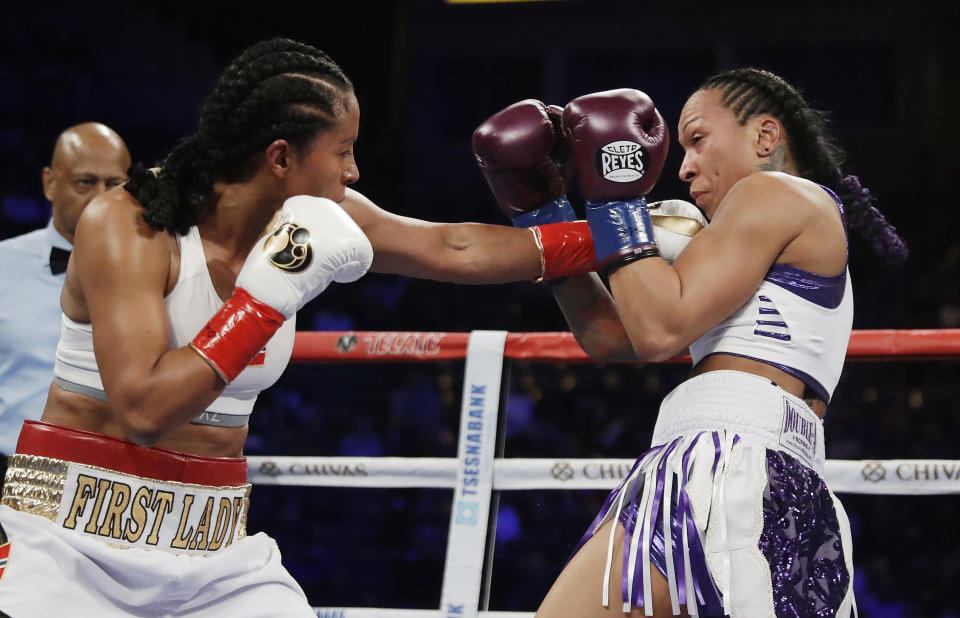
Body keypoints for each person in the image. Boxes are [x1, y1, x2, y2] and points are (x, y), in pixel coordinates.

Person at [0, 38, 665, 617]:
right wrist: (265, 298)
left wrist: (629, 232)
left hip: (210, 544)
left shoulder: (325, 213)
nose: (353, 172)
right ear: (282, 157)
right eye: (342, 151)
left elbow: (455, 248)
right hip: (73, 537)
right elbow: (144, 406)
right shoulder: (130, 223)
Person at [472, 71, 906, 617]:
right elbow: (614, 335)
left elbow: (658, 331)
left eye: (698, 140)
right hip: (732, 466)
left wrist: (615, 199)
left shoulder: (773, 193)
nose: (683, 167)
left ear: (765, 138)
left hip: (733, 465)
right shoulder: (748, 237)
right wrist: (549, 214)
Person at [0, 123, 130, 479]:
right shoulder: (3, 267)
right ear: (50, 183)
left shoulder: (164, 272)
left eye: (115, 184)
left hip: (117, 482)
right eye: (85, 182)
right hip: (11, 473)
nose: (102, 198)